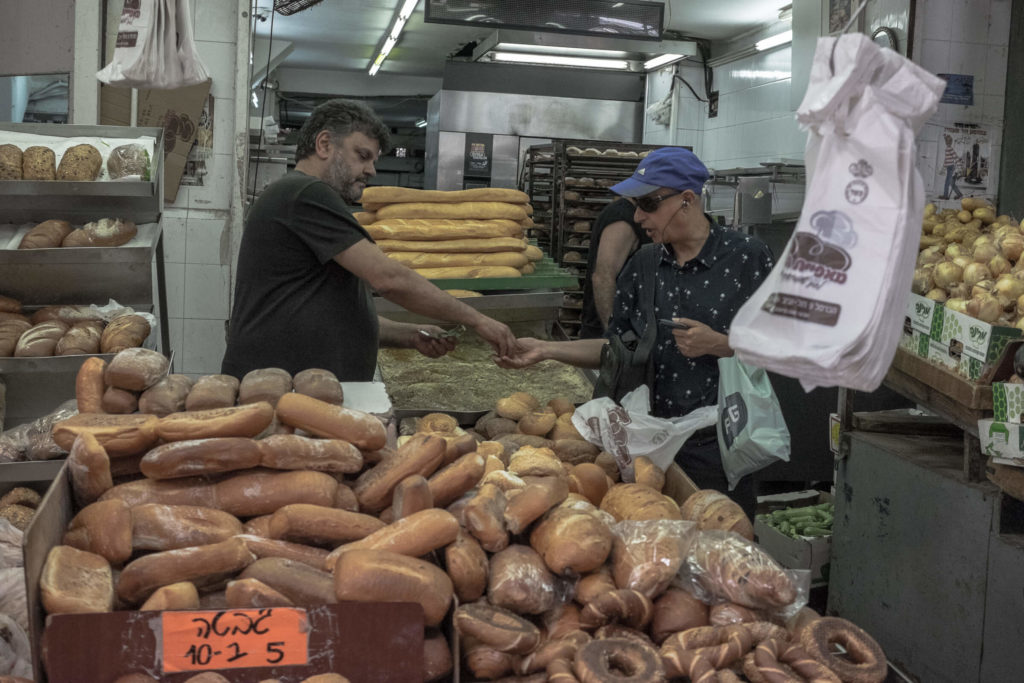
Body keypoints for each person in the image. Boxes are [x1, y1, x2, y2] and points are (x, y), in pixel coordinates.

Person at [497, 147, 775, 517]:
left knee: (723, 546)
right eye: (636, 204)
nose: (638, 216)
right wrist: (546, 350)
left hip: (720, 444)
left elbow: (783, 347)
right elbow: (615, 348)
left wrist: (722, 344)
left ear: (687, 200)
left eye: (648, 203)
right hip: (646, 442)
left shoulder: (747, 257)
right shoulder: (645, 265)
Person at [222, 99, 518, 381]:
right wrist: (477, 319)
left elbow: (334, 314)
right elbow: (389, 279)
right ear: (324, 144)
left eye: (373, 160)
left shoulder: (299, 196)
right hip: (278, 389)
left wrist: (409, 335)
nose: (371, 170)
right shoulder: (307, 193)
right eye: (362, 155)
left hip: (295, 387)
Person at [578, 196, 650, 339]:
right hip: (605, 334)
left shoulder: (627, 213)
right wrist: (614, 334)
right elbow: (602, 278)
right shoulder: (623, 219)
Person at [939, 134, 962, 200]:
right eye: (947, 141)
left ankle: (945, 196)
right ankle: (959, 195)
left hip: (951, 168)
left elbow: (956, 157)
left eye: (949, 141)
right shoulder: (947, 149)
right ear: (945, 142)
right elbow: (946, 160)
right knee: (952, 183)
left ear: (951, 142)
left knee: (947, 182)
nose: (948, 142)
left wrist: (960, 168)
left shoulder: (950, 149)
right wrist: (943, 169)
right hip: (949, 168)